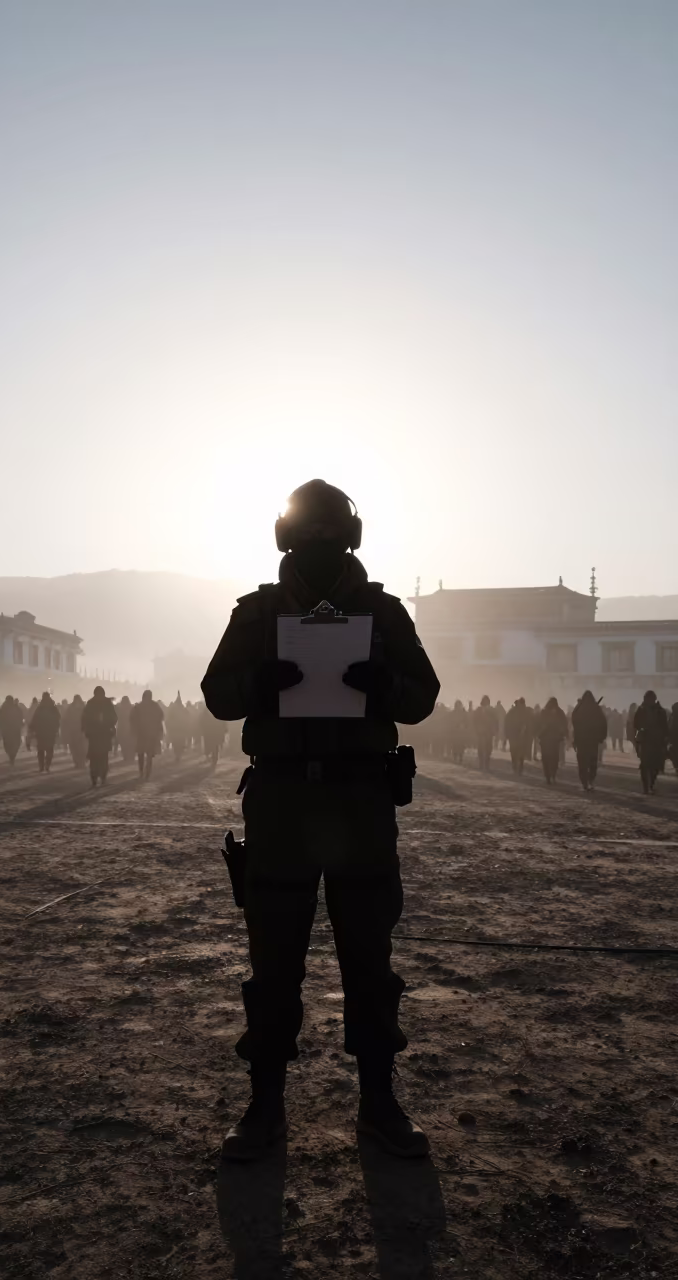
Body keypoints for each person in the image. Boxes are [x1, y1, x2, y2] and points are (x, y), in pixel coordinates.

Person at [202, 478, 440, 1162]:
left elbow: (422, 696)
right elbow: (218, 695)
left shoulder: (382, 613)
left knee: (369, 958)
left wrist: (380, 687)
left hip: (360, 802)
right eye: (311, 536)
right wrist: (261, 684)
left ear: (349, 539)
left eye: (328, 536)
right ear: (287, 540)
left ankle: (379, 1100)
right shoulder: (258, 614)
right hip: (281, 805)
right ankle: (265, 1102)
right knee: (272, 960)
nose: (318, 549)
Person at [633, 690, 669, 795]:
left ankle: (650, 784)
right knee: (645, 765)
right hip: (646, 741)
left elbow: (664, 726)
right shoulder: (641, 710)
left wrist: (665, 737)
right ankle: (646, 786)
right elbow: (636, 723)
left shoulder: (660, 711)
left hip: (656, 741)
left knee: (655, 765)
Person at [81, 686, 118, 786]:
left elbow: (114, 717)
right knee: (98, 758)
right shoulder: (98, 703)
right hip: (99, 734)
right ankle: (98, 778)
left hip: (101, 734)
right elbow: (85, 718)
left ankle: (100, 778)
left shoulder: (92, 703)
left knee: (100, 757)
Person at [571, 692, 607, 792]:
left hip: (582, 740)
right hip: (592, 740)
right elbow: (603, 723)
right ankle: (590, 780)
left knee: (582, 763)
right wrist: (601, 737)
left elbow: (574, 722)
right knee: (592, 762)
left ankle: (585, 782)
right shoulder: (596, 709)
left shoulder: (579, 709)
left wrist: (575, 738)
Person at [130, 690, 164, 779]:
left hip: (142, 733)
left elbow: (132, 718)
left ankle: (142, 772)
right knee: (149, 754)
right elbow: (161, 716)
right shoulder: (155, 706)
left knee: (141, 754)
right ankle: (147, 772)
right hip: (151, 734)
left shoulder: (138, 706)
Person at [537, 697, 568, 784]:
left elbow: (538, 724)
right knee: (554, 758)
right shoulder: (559, 712)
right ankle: (552, 775)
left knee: (546, 759)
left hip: (545, 739)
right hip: (555, 740)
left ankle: (548, 776)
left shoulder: (544, 712)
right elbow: (564, 725)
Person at [30, 692, 61, 773]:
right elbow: (58, 719)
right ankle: (46, 765)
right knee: (49, 750)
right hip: (49, 732)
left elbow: (34, 720)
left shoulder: (40, 708)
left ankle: (42, 766)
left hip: (41, 732)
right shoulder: (52, 708)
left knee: (41, 750)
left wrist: (32, 729)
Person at [505, 697, 533, 775]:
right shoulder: (513, 712)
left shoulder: (524, 712)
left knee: (519, 752)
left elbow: (529, 724)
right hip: (514, 735)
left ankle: (518, 767)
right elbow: (507, 723)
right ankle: (516, 767)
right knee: (515, 752)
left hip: (520, 736)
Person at [474, 695, 498, 772]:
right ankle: (484, 765)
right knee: (485, 749)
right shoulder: (489, 711)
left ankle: (483, 765)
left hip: (485, 732)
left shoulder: (487, 711)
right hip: (485, 733)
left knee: (485, 749)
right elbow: (495, 721)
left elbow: (495, 721)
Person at [0, 695, 24, 764]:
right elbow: (21, 717)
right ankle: (12, 756)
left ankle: (11, 756)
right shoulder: (15, 708)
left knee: (9, 744)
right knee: (15, 743)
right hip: (14, 729)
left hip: (7, 729)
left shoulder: (3, 708)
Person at [63, 694, 87, 768]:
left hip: (81, 731)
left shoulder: (73, 708)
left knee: (81, 748)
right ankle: (77, 762)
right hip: (74, 731)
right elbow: (66, 720)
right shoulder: (82, 708)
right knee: (74, 748)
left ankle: (81, 762)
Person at [166, 692, 190, 761]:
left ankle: (177, 754)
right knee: (179, 742)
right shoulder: (183, 709)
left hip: (176, 730)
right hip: (180, 729)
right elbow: (188, 718)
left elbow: (168, 719)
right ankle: (178, 754)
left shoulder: (173, 710)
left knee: (176, 743)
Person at [116, 696, 136, 762]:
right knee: (131, 743)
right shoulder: (132, 708)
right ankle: (131, 756)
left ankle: (126, 756)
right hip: (131, 728)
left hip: (122, 728)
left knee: (123, 743)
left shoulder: (120, 709)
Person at [667, 702, 678, 775]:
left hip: (673, 739)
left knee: (673, 753)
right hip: (674, 739)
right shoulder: (672, 716)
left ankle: (677, 768)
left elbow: (669, 727)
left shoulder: (672, 716)